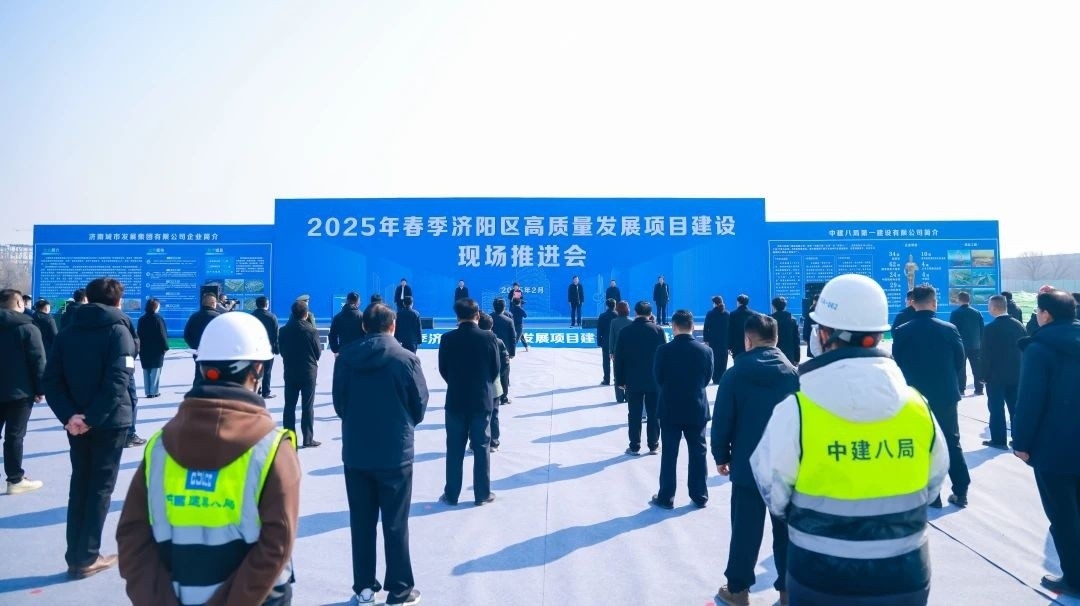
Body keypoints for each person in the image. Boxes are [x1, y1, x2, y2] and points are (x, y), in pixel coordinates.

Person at [752, 273, 949, 606]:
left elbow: (774, 492)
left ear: (824, 334)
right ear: (878, 334)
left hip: (820, 576)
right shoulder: (917, 406)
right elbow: (933, 485)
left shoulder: (796, 411)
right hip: (905, 575)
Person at [117, 312, 301, 605]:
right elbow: (277, 545)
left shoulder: (159, 446)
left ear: (202, 368)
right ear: (257, 370)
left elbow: (132, 536)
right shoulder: (272, 448)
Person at [333, 303, 427, 606]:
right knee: (396, 523)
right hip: (395, 452)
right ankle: (399, 590)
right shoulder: (406, 359)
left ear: (364, 326)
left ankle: (364, 588)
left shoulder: (346, 358)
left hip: (357, 452)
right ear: (393, 325)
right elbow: (419, 406)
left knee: (361, 522)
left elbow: (339, 404)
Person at [44, 277, 137, 579]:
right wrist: (91, 418)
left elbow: (51, 380)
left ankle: (76, 555)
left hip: (76, 424)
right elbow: (118, 380)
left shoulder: (68, 330)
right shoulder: (119, 330)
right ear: (117, 301)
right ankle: (87, 557)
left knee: (80, 485)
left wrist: (71, 416)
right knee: (99, 489)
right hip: (109, 422)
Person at [712, 313, 798, 605]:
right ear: (777, 339)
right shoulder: (794, 375)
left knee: (744, 531)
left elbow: (722, 419)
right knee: (786, 533)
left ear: (747, 340)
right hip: (787, 467)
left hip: (748, 466)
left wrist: (721, 455)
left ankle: (738, 591)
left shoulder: (735, 375)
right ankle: (788, 592)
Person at [1013, 289, 1080, 597]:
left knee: (1063, 517)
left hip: (1055, 448)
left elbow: (1030, 400)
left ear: (1046, 315)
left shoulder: (1039, 349)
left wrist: (1021, 442)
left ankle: (1075, 579)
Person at [892, 283, 970, 508]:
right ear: (934, 303)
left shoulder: (902, 331)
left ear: (913, 303)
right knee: (951, 440)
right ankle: (961, 491)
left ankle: (932, 495)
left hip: (914, 396)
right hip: (945, 394)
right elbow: (959, 361)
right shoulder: (949, 329)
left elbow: (897, 362)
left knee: (920, 442)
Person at [437, 298, 500, 506]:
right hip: (481, 400)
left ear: (457, 317)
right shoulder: (489, 337)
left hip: (456, 400)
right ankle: (482, 494)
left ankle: (451, 494)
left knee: (454, 448)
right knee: (481, 447)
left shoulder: (447, 339)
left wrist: (457, 382)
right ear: (477, 315)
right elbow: (495, 369)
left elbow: (443, 369)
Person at [650, 310, 712, 510]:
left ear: (674, 327)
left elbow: (658, 378)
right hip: (696, 407)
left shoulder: (663, 350)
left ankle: (666, 497)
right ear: (692, 326)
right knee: (698, 452)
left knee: (669, 453)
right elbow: (707, 378)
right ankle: (700, 495)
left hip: (670, 407)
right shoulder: (705, 351)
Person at [0, 288, 46, 495]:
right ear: (19, 303)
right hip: (20, 391)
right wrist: (40, 389)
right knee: (14, 436)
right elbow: (38, 361)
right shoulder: (27, 328)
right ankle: (15, 479)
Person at [614, 301, 667, 456]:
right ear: (650, 314)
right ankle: (654, 445)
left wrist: (620, 381)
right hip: (654, 380)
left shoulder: (625, 332)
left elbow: (619, 359)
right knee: (654, 413)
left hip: (632, 380)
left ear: (635, 313)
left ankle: (634, 446)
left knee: (634, 414)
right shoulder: (658, 330)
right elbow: (664, 357)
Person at [979, 295, 1025, 449]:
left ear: (993, 308)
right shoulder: (1019, 325)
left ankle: (999, 440)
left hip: (995, 377)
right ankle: (1018, 439)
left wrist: (983, 376)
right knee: (1015, 409)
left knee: (996, 409)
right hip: (1016, 375)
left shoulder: (990, 328)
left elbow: (986, 355)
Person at [279, 299, 322, 448]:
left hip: (290, 371)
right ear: (306, 314)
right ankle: (308, 439)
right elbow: (318, 354)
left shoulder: (283, 331)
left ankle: (288, 439)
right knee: (307, 406)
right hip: (308, 372)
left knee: (289, 406)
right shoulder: (312, 331)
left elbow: (282, 352)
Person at [476, 312, 510, 452]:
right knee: (494, 414)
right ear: (492, 326)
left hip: (475, 385)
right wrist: (497, 377)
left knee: (476, 414)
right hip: (494, 385)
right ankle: (493, 443)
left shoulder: (473, 340)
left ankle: (475, 442)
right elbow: (505, 363)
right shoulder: (498, 341)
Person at [949, 291, 985, 396]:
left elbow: (953, 330)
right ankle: (979, 389)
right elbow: (982, 330)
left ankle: (961, 389)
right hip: (976, 345)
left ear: (959, 300)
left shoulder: (955, 313)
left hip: (961, 345)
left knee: (961, 368)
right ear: (969, 300)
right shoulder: (977, 313)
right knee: (977, 368)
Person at [184, 292, 220, 387]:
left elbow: (187, 335)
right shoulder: (218, 317)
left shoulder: (194, 316)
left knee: (199, 374)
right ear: (213, 303)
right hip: (214, 354)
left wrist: (196, 347)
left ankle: (197, 392)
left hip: (198, 352)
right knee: (214, 376)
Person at [136, 298, 168, 398]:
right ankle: (154, 391)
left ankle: (148, 392)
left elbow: (138, 334)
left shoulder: (142, 319)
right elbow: (162, 334)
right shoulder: (158, 319)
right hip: (156, 349)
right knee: (156, 370)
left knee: (146, 370)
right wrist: (165, 347)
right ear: (156, 307)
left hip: (144, 348)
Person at [252, 296, 280, 399]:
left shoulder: (251, 316)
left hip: (254, 349)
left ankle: (255, 391)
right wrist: (277, 349)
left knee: (255, 370)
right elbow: (276, 335)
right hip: (267, 348)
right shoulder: (272, 317)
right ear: (266, 304)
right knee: (267, 371)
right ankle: (266, 392)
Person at [489, 299, 515, 403]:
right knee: (504, 375)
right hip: (504, 352)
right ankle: (504, 397)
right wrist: (512, 353)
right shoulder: (508, 320)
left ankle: (490, 395)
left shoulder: (488, 318)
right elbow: (513, 337)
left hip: (489, 350)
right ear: (504, 307)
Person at [608, 301, 632, 403]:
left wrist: (611, 351)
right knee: (629, 373)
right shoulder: (631, 322)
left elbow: (611, 337)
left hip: (617, 352)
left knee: (617, 374)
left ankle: (619, 397)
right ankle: (628, 396)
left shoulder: (614, 322)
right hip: (629, 352)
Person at [703, 296, 730, 384]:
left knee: (715, 359)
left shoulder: (710, 314)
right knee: (723, 359)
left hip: (713, 341)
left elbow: (706, 328)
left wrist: (706, 340)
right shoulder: (727, 314)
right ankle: (722, 377)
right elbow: (730, 329)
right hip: (724, 341)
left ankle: (715, 378)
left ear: (714, 304)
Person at [771, 296, 801, 367]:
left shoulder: (769, 320)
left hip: (773, 354)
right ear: (785, 306)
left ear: (773, 306)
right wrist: (797, 358)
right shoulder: (792, 320)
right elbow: (796, 340)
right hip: (789, 355)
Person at [597, 298, 618, 385]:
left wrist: (599, 342)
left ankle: (606, 379)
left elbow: (599, 330)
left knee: (606, 361)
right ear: (615, 305)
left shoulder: (602, 316)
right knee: (616, 362)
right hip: (616, 342)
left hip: (605, 342)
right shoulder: (618, 315)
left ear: (606, 306)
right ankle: (617, 379)